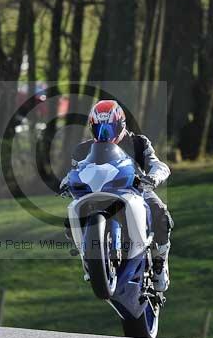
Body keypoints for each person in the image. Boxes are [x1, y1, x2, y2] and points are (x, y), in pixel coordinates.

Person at [62, 100, 173, 292]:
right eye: (98, 128)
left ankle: (159, 263)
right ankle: (89, 256)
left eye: (108, 128)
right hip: (94, 192)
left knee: (160, 212)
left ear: (121, 124)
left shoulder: (139, 143)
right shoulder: (82, 149)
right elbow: (75, 171)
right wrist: (65, 182)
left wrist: (153, 177)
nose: (103, 134)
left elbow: (158, 164)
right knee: (69, 220)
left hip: (134, 190)